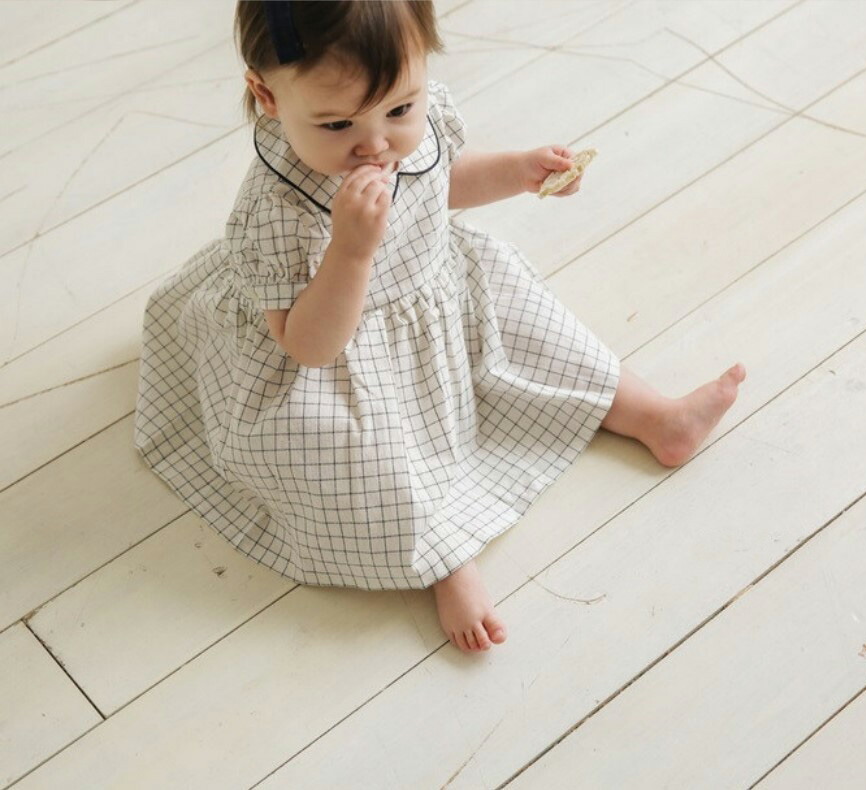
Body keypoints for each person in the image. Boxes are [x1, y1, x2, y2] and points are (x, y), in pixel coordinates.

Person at [134, 0, 746, 656]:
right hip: (336, 365)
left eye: (400, 109)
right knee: (367, 463)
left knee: (537, 327)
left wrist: (517, 171)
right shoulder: (277, 209)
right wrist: (350, 251)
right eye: (337, 124)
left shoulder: (409, 124)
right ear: (268, 98)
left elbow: (441, 180)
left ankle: (655, 417)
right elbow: (308, 345)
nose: (377, 144)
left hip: (436, 295)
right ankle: (445, 557)